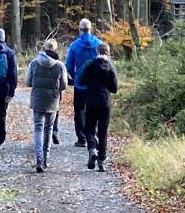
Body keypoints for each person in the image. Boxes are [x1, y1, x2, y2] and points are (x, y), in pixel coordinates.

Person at [25, 39, 68, 172]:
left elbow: (28, 82)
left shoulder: (34, 63)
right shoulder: (60, 66)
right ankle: (45, 159)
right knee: (48, 129)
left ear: (44, 49)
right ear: (55, 50)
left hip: (37, 99)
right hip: (52, 100)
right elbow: (64, 85)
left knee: (38, 128)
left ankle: (38, 159)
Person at [74, 42, 119, 171]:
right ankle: (101, 160)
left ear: (97, 52)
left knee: (89, 129)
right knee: (103, 131)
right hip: (105, 103)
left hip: (91, 101)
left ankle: (92, 149)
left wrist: (90, 82)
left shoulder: (89, 65)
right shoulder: (110, 68)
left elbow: (81, 80)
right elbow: (114, 88)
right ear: (108, 53)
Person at [64, 18, 102, 147]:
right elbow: (106, 63)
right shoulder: (99, 44)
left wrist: (75, 77)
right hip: (95, 84)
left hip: (80, 84)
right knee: (94, 110)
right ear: (91, 29)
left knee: (79, 111)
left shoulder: (74, 45)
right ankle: (94, 135)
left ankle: (82, 139)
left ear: (80, 30)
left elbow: (69, 65)